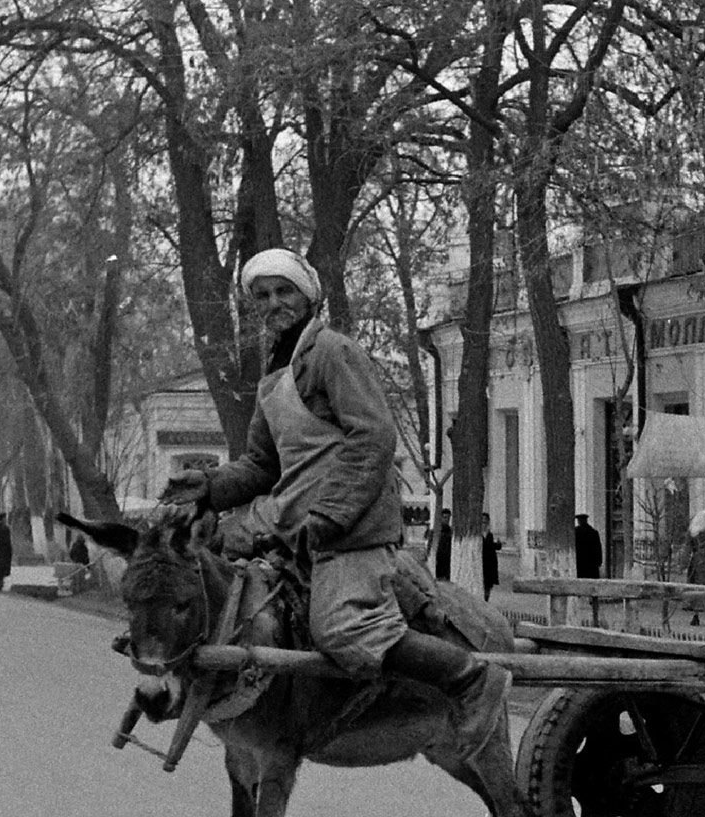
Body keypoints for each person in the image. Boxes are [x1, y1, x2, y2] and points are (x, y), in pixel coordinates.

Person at [157, 247, 510, 751]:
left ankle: (472, 680)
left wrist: (330, 515)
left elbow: (373, 437)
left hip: (351, 529)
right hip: (296, 530)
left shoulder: (333, 353)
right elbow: (261, 465)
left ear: (309, 296)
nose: (274, 303)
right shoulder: (275, 375)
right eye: (263, 295)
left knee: (344, 630)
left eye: (284, 291)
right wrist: (209, 487)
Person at [574, 513, 603, 580]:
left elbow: (598, 547)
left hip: (581, 561)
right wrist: (599, 560)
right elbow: (598, 548)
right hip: (591, 562)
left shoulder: (576, 532)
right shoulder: (593, 532)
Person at [480, 515, 502, 601]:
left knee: (488, 584)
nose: (483, 525)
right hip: (481, 562)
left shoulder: (491, 534)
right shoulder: (476, 535)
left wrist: (498, 544)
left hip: (490, 562)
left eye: (485, 522)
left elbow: (496, 546)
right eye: (482, 522)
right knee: (481, 582)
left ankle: (486, 599)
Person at [430, 507, 454, 581]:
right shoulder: (435, 531)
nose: (446, 520)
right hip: (438, 560)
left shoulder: (451, 531)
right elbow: (430, 547)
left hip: (448, 561)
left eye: (448, 518)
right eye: (444, 517)